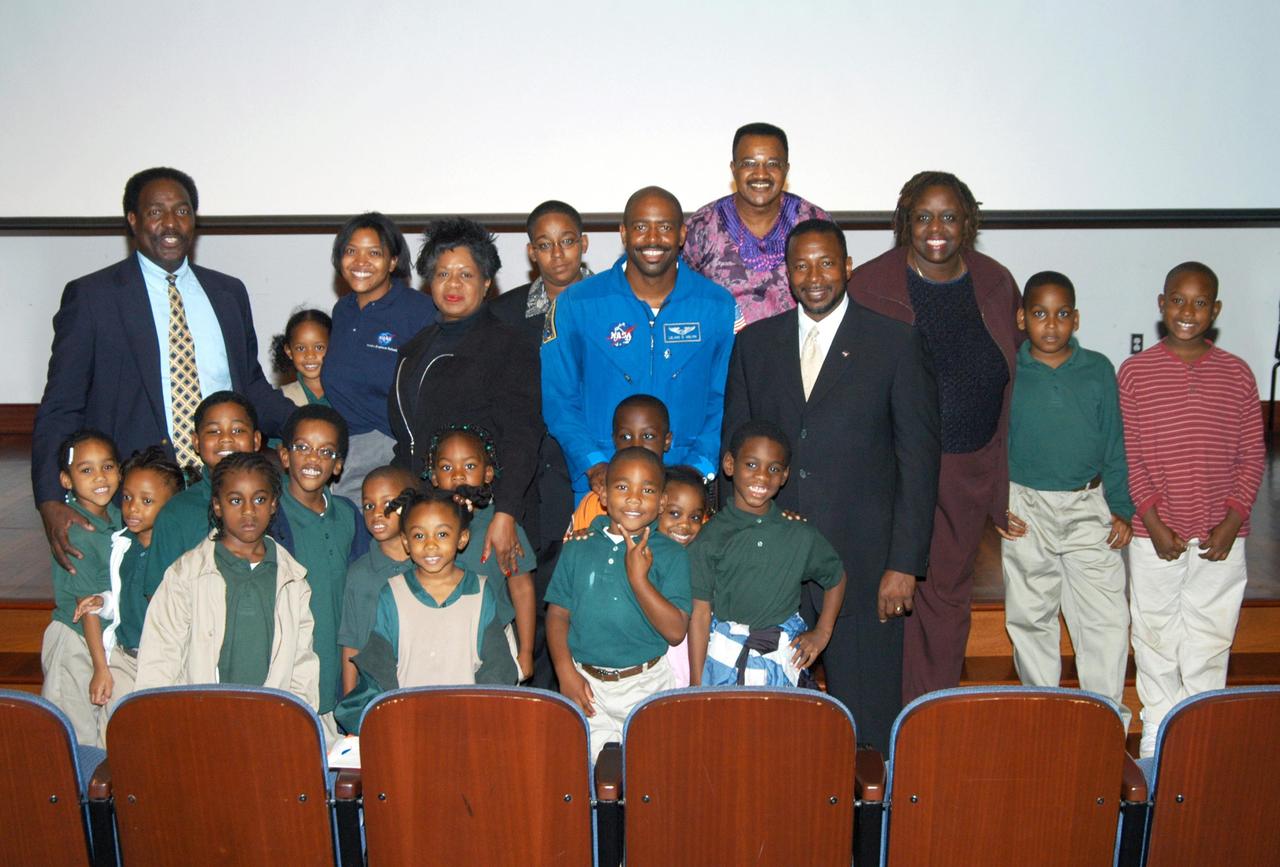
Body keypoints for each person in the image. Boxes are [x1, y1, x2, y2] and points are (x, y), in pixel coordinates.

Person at [724, 218, 939, 750]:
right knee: (770, 727)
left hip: (866, 567)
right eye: (801, 264)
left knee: (868, 725)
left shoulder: (895, 342)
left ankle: (866, 831)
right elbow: (736, 452)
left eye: (826, 263)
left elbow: (918, 461)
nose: (813, 275)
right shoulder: (755, 345)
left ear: (847, 267)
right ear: (787, 273)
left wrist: (905, 565)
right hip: (769, 567)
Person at [33, 167, 292, 573]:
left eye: (182, 211)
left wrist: (309, 428)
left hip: (222, 488)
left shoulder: (228, 293)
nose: (170, 223)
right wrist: (49, 498)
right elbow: (61, 406)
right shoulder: (92, 297)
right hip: (137, 498)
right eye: (156, 211)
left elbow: (250, 387)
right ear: (133, 221)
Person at [848, 171, 1020, 705]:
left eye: (949, 216)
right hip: (891, 471)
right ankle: (880, 720)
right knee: (887, 593)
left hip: (966, 470)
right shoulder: (871, 285)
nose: (936, 229)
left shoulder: (995, 282)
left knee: (944, 598)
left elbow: (1009, 381)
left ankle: (930, 717)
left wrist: (999, 486)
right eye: (923, 217)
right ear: (905, 222)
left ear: (969, 221)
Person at [1118, 262, 1265, 757]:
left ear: (1216, 311)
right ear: (1161, 305)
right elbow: (1130, 454)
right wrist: (1153, 520)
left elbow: (1252, 454)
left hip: (1220, 539)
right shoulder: (1135, 373)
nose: (1188, 311)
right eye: (1178, 299)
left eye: (1200, 302)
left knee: (1210, 636)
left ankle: (1200, 735)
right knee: (1155, 636)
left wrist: (1233, 519)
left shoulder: (1238, 374)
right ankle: (1158, 736)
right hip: (1151, 535)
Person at [996, 271, 1134, 726]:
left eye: (1060, 315)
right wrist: (998, 502)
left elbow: (1114, 441)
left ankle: (1105, 720)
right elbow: (993, 443)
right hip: (1025, 508)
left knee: (1105, 618)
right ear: (1022, 318)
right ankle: (1045, 717)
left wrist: (1121, 508)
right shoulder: (1009, 371)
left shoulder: (1097, 370)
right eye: (1039, 314)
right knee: (1031, 616)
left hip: (1088, 505)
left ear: (1076, 318)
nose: (1050, 325)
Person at [542, 186, 738, 498]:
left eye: (665, 227)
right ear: (623, 232)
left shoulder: (717, 306)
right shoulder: (577, 304)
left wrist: (695, 470)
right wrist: (594, 465)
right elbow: (560, 402)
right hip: (600, 489)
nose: (652, 238)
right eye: (641, 227)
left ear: (682, 234)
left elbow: (724, 401)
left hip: (684, 492)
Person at [389, 218, 540, 579]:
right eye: (442, 274)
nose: (453, 284)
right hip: (428, 519)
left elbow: (522, 436)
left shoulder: (509, 345)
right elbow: (406, 439)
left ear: (487, 283)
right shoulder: (413, 349)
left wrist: (506, 514)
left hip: (485, 517)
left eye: (466, 274)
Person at [134, 452, 319, 710]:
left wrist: (295, 719)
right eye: (235, 500)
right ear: (218, 506)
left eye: (260, 499)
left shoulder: (293, 579)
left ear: (274, 504)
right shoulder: (186, 574)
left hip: (271, 720)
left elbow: (302, 664)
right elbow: (160, 657)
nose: (248, 510)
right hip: (202, 718)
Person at [545, 447, 692, 758]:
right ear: (604, 495)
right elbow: (558, 613)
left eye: (648, 490)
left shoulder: (672, 555)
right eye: (623, 487)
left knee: (650, 779)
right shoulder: (577, 548)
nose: (634, 498)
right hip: (586, 684)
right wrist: (564, 671)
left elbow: (676, 631)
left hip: (647, 684)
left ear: (662, 501)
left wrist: (639, 579)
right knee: (591, 781)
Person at [335, 489, 520, 733]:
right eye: (419, 535)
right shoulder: (392, 593)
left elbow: (498, 667)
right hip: (408, 723)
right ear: (406, 542)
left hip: (468, 723)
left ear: (462, 539)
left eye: (442, 534)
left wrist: (479, 715)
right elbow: (379, 667)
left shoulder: (480, 591)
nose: (430, 544)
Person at [689, 420, 846, 689]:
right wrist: (696, 683)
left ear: (785, 476)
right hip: (724, 661)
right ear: (729, 465)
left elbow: (836, 576)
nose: (762, 476)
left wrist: (822, 632)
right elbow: (700, 614)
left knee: (779, 729)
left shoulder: (798, 534)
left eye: (773, 469)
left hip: (781, 661)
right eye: (751, 464)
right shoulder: (710, 538)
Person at [72, 446, 184, 744]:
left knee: (158, 737)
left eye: (147, 501)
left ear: (173, 507)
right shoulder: (122, 545)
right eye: (127, 498)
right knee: (116, 735)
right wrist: (104, 601)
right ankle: (113, 789)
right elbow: (124, 594)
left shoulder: (175, 554)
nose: (133, 508)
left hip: (163, 663)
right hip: (125, 656)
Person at [323, 212, 437, 500]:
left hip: (387, 447)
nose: (360, 262)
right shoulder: (342, 310)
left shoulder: (419, 311)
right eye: (351, 251)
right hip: (338, 446)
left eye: (374, 253)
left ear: (393, 261)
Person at [271, 404, 367, 735]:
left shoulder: (348, 514)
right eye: (302, 448)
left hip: (338, 668)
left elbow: (360, 594)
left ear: (338, 465)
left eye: (325, 452)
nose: (313, 459)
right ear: (284, 456)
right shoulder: (269, 515)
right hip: (290, 672)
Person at [683, 122, 830, 328]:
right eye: (749, 163)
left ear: (786, 169)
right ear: (733, 169)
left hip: (798, 355)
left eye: (772, 164)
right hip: (724, 356)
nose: (761, 174)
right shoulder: (702, 227)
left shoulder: (814, 222)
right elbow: (679, 301)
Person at [427, 424, 536, 681]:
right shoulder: (424, 523)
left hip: (496, 641)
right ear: (433, 477)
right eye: (446, 467)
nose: (457, 475)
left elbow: (522, 589)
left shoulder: (502, 527)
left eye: (469, 466)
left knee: (497, 717)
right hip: (439, 642)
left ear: (488, 473)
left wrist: (527, 651)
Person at [142, 391, 263, 599]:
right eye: (214, 431)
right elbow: (159, 596)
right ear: (196, 442)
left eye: (237, 430)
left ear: (256, 439)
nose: (226, 439)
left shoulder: (279, 499)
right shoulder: (177, 513)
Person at [41, 431, 121, 745]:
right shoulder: (79, 532)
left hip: (101, 640)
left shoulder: (118, 518)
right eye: (86, 470)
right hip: (75, 643)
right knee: (73, 737)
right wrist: (101, 667)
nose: (100, 477)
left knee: (100, 733)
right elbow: (88, 607)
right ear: (66, 480)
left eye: (108, 467)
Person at [338, 465, 417, 695]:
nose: (376, 513)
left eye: (388, 503)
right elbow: (351, 646)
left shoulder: (430, 567)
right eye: (369, 506)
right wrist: (349, 703)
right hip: (375, 695)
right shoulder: (359, 573)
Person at [489, 200, 593, 342]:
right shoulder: (502, 314)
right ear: (532, 252)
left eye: (567, 241)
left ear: (584, 243)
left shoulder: (616, 300)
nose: (557, 253)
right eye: (545, 245)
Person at [569, 394, 672, 532]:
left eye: (648, 436)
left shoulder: (683, 497)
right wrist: (581, 540)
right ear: (614, 440)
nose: (636, 444)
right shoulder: (597, 500)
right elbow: (573, 547)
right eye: (626, 436)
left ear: (667, 441)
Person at [657, 465, 710, 688]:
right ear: (658, 507)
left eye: (695, 517)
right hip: (647, 669)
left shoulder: (699, 560)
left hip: (686, 661)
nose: (685, 525)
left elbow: (701, 614)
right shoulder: (640, 553)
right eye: (675, 513)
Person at [271, 309, 332, 407]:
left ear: (333, 347)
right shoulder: (282, 398)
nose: (310, 355)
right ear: (289, 352)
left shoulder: (348, 394)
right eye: (301, 348)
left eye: (319, 347)